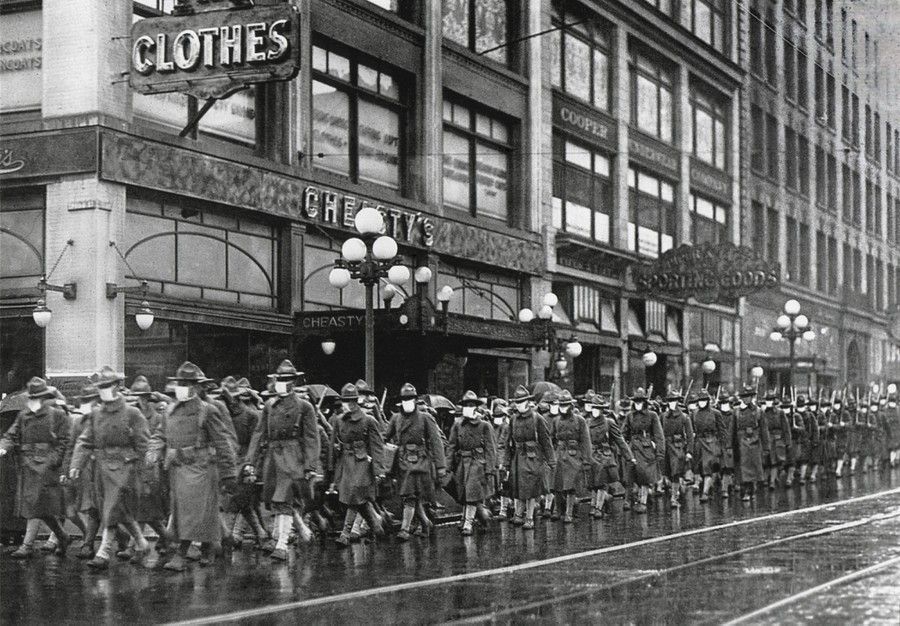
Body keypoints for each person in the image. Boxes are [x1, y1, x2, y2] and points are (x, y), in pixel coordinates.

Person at [146, 362, 238, 571]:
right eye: (180, 383)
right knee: (187, 513)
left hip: (201, 468)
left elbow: (223, 442)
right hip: (178, 469)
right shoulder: (169, 410)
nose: (182, 387)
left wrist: (229, 474)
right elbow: (160, 435)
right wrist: (152, 452)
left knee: (195, 513)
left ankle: (182, 553)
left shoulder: (208, 411)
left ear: (196, 386)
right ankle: (212, 545)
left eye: (186, 383)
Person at [69, 367, 151, 569]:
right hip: (102, 470)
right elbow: (85, 441)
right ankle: (141, 542)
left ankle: (103, 553)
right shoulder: (97, 414)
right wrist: (76, 465)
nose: (104, 390)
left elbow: (143, 445)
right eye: (101, 387)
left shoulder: (132, 413)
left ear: (117, 386)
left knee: (112, 508)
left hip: (125, 469)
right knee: (116, 510)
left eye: (107, 386)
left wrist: (143, 473)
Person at [243, 360, 319, 561]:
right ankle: (298, 531)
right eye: (279, 379)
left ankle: (282, 544)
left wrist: (311, 465)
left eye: (286, 380)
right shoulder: (269, 406)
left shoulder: (304, 407)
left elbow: (312, 438)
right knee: (273, 498)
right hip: (273, 457)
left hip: (293, 456)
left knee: (283, 498)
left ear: (293, 382)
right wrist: (250, 461)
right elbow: (259, 434)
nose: (281, 383)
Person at [0, 377, 71, 559]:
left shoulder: (57, 415)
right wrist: (3, 446)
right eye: (33, 397)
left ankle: (27, 545)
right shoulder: (24, 416)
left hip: (46, 467)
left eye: (39, 397)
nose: (35, 401)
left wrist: (54, 461)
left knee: (36, 505)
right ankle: (62, 536)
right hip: (28, 466)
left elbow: (64, 441)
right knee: (38, 507)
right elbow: (11, 434)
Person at [384, 383, 447, 541]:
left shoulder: (425, 418)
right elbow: (385, 436)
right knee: (411, 496)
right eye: (405, 399)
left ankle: (404, 529)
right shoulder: (396, 418)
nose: (408, 401)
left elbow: (436, 442)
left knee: (411, 496)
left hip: (420, 462)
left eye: (410, 398)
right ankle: (425, 523)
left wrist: (441, 467)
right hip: (403, 461)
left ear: (415, 399)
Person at [328, 383, 386, 547]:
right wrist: (332, 468)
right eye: (345, 401)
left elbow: (377, 447)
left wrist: (379, 470)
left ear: (357, 401)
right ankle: (377, 527)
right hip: (345, 462)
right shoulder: (339, 421)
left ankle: (345, 533)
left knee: (354, 495)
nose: (348, 404)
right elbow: (334, 443)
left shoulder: (368, 420)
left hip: (362, 463)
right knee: (359, 500)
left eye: (351, 400)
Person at [127, 376, 173, 557]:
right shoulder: (130, 415)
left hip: (155, 466)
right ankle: (163, 539)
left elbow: (161, 441)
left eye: (144, 396)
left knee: (151, 507)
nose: (141, 400)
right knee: (144, 508)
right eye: (137, 396)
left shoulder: (158, 417)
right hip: (133, 465)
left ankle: (141, 544)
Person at [220, 376, 268, 548]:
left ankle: (227, 538)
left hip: (246, 462)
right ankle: (261, 534)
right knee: (244, 504)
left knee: (234, 502)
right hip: (229, 461)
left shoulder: (251, 415)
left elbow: (256, 443)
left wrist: (251, 466)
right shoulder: (222, 414)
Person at [446, 390, 498, 536]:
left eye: (471, 405)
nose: (468, 407)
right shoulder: (457, 425)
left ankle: (468, 523)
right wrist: (448, 465)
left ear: (476, 407)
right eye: (465, 405)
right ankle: (482, 516)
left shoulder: (484, 426)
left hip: (478, 463)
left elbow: (490, 448)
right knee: (464, 494)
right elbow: (451, 446)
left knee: (471, 491)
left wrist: (490, 468)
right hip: (463, 463)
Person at [504, 386, 555, 529]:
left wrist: (551, 461)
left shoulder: (537, 418)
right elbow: (508, 442)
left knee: (531, 488)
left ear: (527, 402)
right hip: (518, 457)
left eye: (521, 402)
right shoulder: (513, 419)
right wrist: (506, 463)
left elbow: (546, 441)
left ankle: (529, 517)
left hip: (533, 457)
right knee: (518, 487)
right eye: (517, 402)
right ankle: (518, 515)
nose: (518, 405)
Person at [587, 394, 634, 518]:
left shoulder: (609, 422)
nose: (595, 411)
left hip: (605, 455)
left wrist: (629, 456)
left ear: (602, 410)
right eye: (594, 408)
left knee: (601, 482)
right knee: (593, 484)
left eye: (598, 408)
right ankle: (602, 501)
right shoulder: (587, 422)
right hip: (592, 455)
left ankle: (598, 508)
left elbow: (620, 440)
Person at [549, 390, 592, 523]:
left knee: (571, 486)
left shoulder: (580, 420)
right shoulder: (556, 420)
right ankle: (556, 510)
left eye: (565, 405)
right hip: (559, 455)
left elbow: (585, 441)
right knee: (556, 485)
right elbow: (551, 439)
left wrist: (586, 460)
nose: (563, 408)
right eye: (561, 405)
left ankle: (569, 513)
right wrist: (551, 455)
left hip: (574, 455)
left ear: (571, 406)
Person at [622, 388, 664, 514]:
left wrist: (660, 452)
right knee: (630, 474)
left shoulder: (652, 415)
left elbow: (659, 435)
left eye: (640, 401)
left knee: (645, 475)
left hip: (646, 450)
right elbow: (623, 433)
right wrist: (623, 447)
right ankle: (628, 500)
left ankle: (642, 501)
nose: (638, 404)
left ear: (645, 402)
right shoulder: (629, 416)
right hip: (633, 448)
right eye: (636, 401)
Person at [733, 387, 769, 502]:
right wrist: (729, 446)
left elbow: (764, 430)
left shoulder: (758, 411)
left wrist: (766, 447)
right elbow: (732, 430)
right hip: (741, 442)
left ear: (752, 397)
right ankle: (745, 491)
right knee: (743, 467)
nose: (746, 399)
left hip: (755, 441)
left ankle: (753, 488)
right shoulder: (736, 411)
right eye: (744, 397)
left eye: (748, 397)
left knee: (754, 466)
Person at [660, 391, 694, 508]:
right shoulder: (663, 416)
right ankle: (677, 489)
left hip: (678, 446)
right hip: (665, 447)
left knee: (675, 471)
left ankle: (674, 498)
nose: (672, 403)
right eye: (670, 401)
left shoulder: (684, 417)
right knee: (666, 473)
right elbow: (658, 433)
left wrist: (689, 451)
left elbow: (689, 436)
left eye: (674, 401)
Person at [692, 390, 723, 502]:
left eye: (704, 400)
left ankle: (704, 493)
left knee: (708, 466)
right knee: (699, 467)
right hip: (699, 442)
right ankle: (707, 489)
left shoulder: (716, 413)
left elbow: (722, 430)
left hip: (711, 441)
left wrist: (724, 446)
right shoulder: (694, 413)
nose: (702, 402)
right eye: (700, 400)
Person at [761, 391, 792, 489]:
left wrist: (788, 442)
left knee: (775, 461)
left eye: (770, 400)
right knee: (766, 462)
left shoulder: (780, 412)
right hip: (766, 439)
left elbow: (786, 428)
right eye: (767, 400)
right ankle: (769, 479)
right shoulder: (761, 413)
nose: (769, 402)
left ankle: (772, 482)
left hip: (777, 440)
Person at [718, 394, 737, 498]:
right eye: (722, 403)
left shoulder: (733, 414)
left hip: (731, 443)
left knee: (728, 467)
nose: (724, 405)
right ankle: (725, 486)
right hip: (719, 443)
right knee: (721, 467)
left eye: (725, 403)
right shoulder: (716, 414)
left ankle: (726, 488)